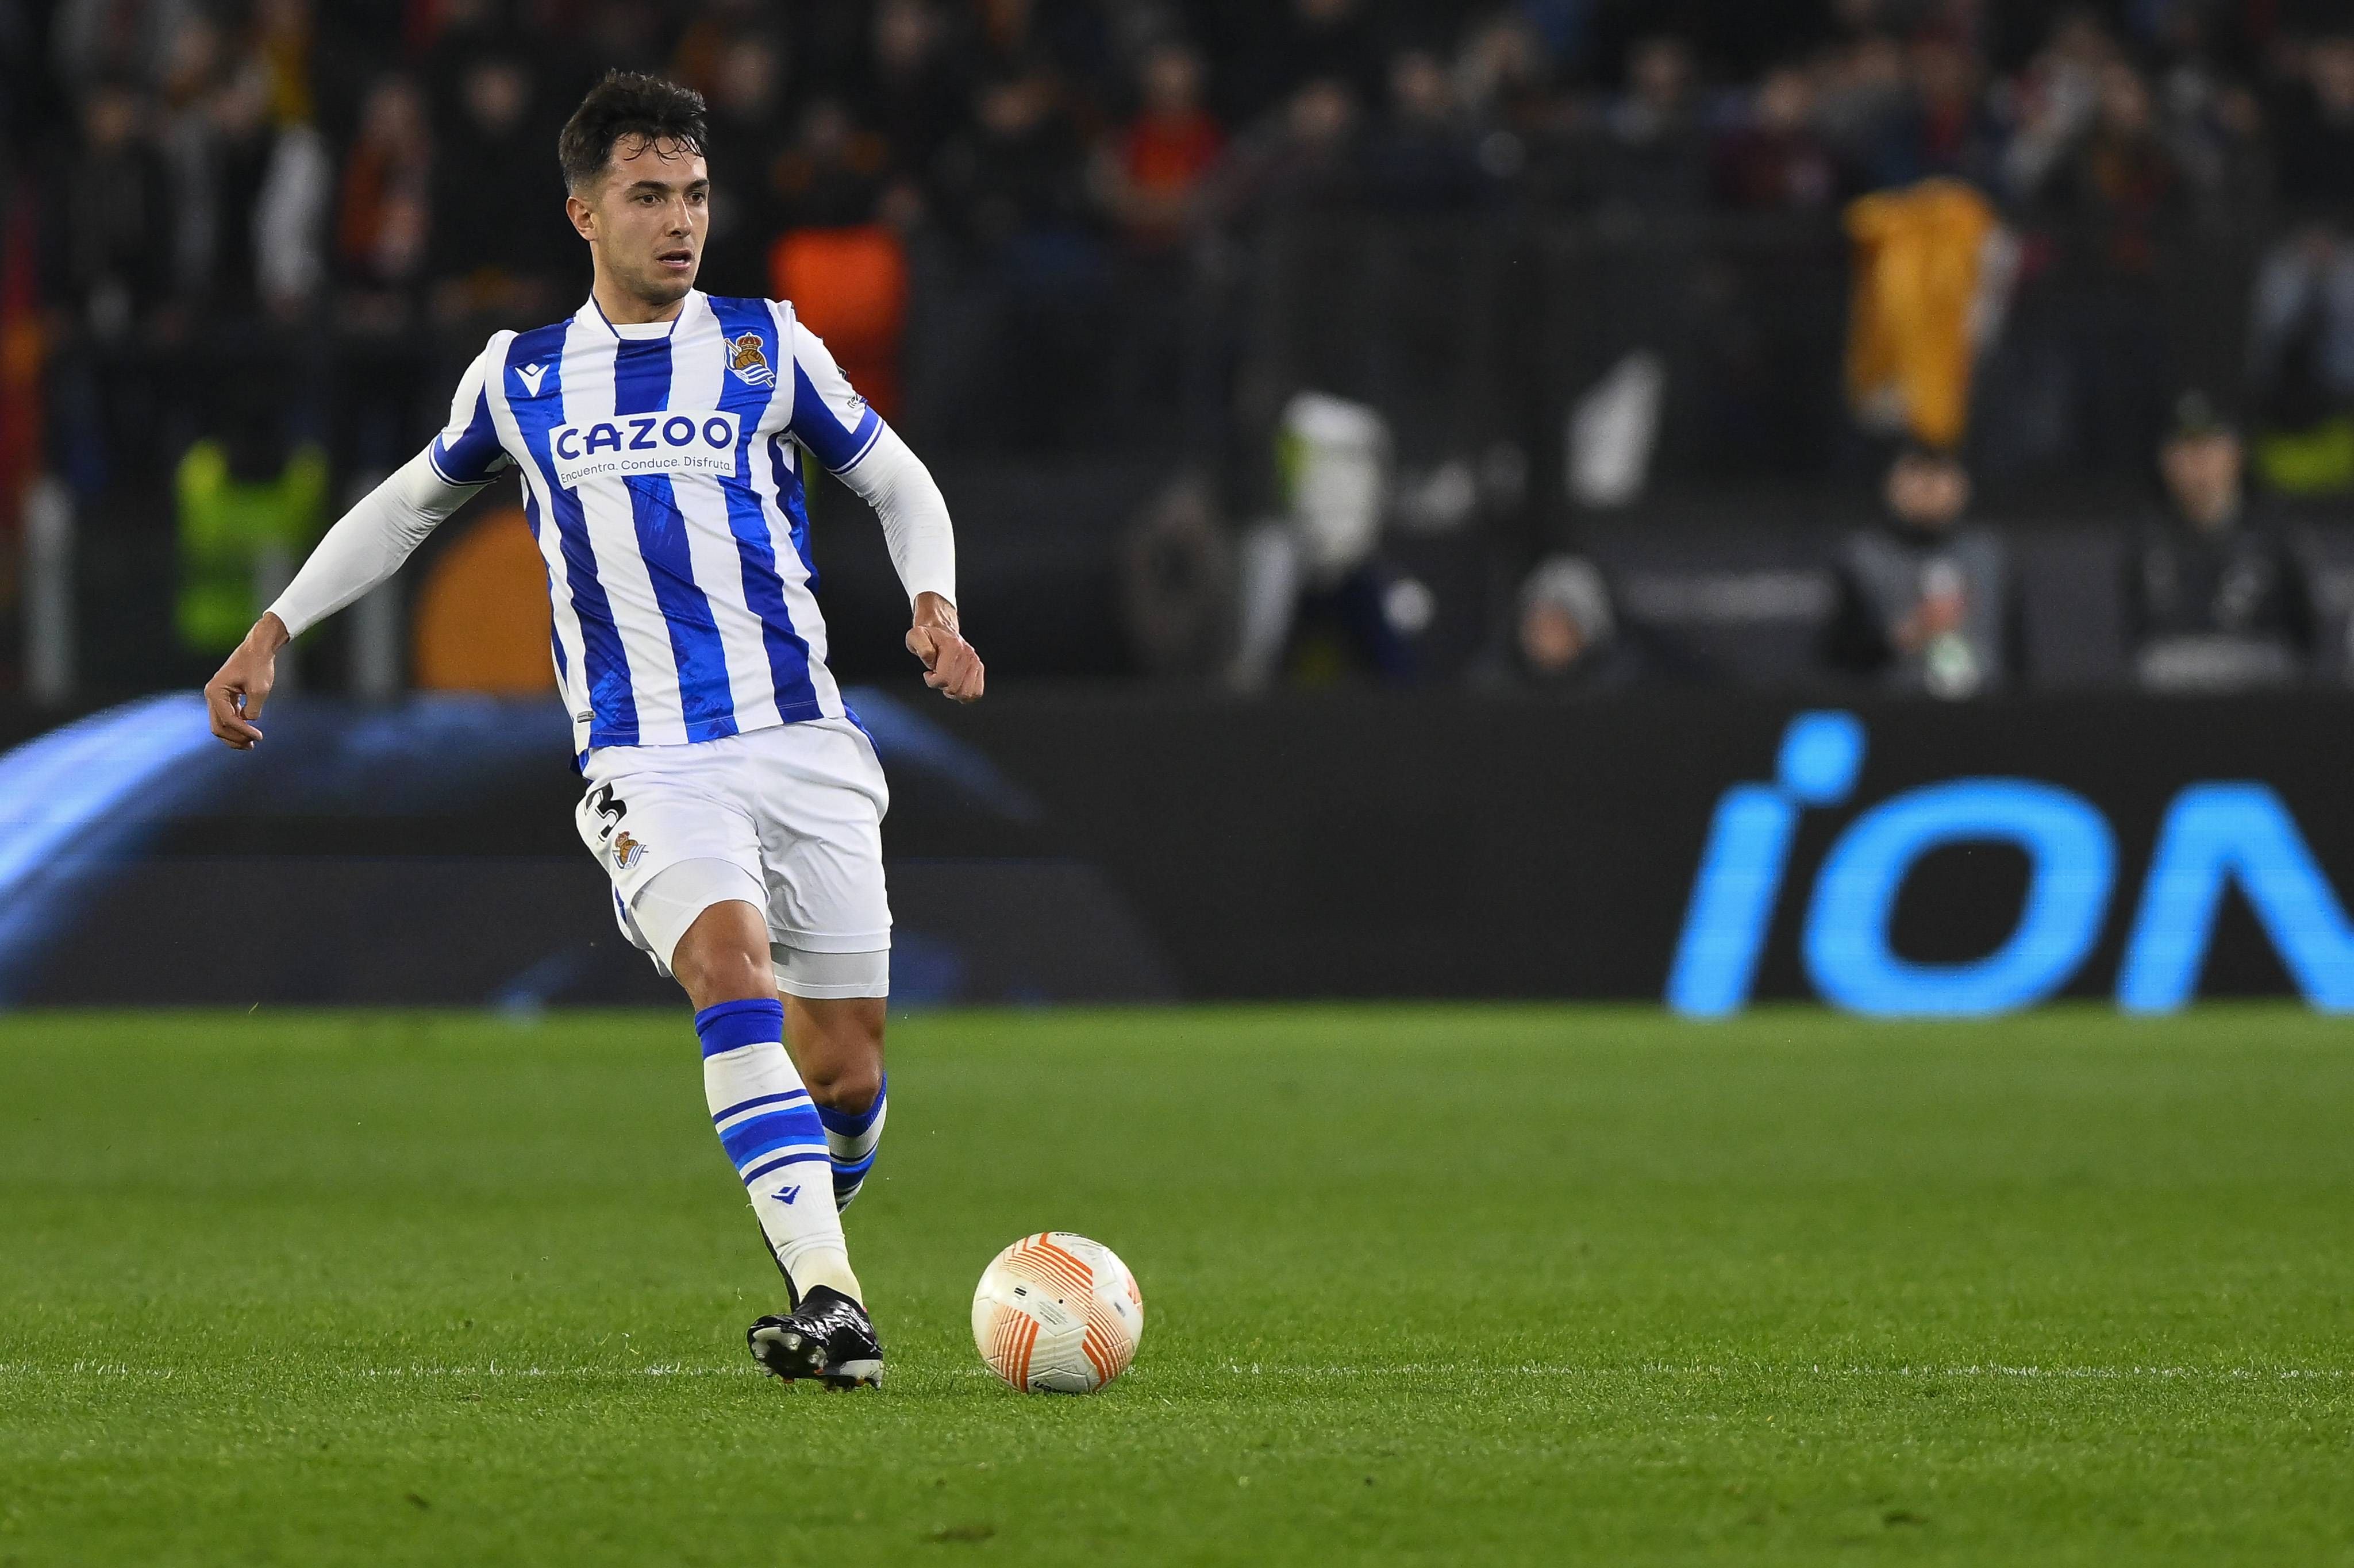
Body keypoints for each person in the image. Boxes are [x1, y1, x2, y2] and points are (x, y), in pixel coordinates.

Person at [201, 72, 983, 1390]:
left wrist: (934, 603)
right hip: (646, 757)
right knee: (729, 968)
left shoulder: (765, 346)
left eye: (695, 194)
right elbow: (403, 507)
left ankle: (816, 1208)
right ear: (584, 213)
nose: (679, 220)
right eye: (648, 195)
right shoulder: (520, 377)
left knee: (846, 1069)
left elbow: (896, 480)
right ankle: (833, 1298)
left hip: (802, 737)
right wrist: (276, 624)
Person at [2130, 392, 2306, 690]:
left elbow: (2304, 634)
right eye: (2186, 449)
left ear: (2236, 453)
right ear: (2165, 460)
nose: (2198, 462)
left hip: (2261, 691)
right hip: (2170, 692)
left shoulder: (2275, 532)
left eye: (2209, 447)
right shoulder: (2145, 536)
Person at [1828, 444, 2007, 696]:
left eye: (1939, 474)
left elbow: (2016, 653)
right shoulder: (1862, 558)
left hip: (1987, 705)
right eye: (1916, 474)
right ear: (1891, 485)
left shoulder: (1989, 555)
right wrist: (1904, 637)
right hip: (1895, 706)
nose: (1928, 487)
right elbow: (1838, 656)